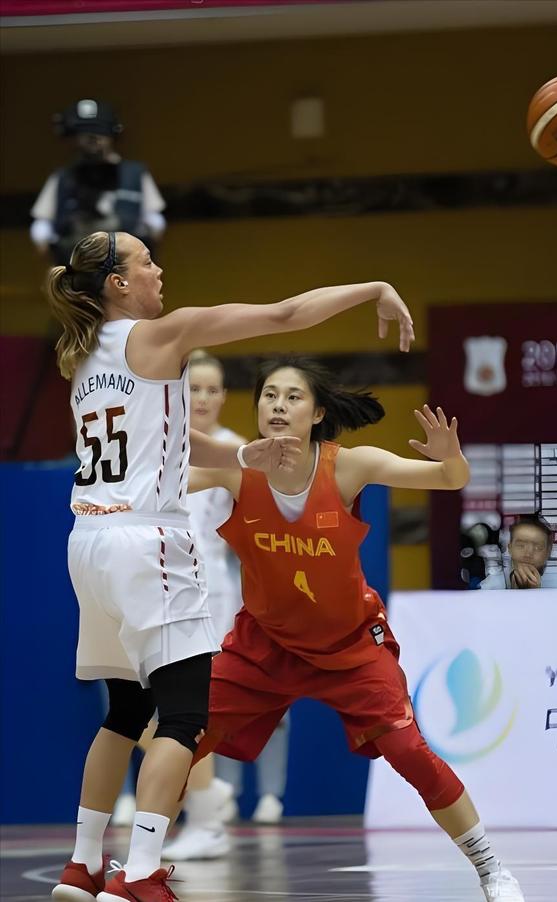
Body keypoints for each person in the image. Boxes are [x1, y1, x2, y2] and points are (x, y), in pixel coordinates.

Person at [44, 230, 414, 902]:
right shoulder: (164, 334)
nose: (159, 269)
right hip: (147, 542)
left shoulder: (82, 353)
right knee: (184, 718)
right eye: (146, 261)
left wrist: (242, 458)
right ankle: (141, 874)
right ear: (118, 283)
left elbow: (163, 436)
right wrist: (373, 288)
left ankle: (82, 865)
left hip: (88, 540)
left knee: (123, 712)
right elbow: (284, 315)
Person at [185, 356, 525, 902]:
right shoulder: (237, 469)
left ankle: (493, 870)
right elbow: (162, 481)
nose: (278, 405)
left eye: (293, 396)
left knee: (410, 752)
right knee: (177, 734)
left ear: (318, 413)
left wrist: (450, 457)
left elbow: (450, 479)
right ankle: (135, 867)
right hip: (265, 645)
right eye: (269, 395)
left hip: (350, 647)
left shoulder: (348, 466)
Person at [162, 353, 289, 862]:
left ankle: (212, 810)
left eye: (212, 389)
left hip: (211, 585)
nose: (203, 398)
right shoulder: (159, 440)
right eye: (193, 388)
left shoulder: (239, 451)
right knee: (152, 705)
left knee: (206, 701)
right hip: (155, 578)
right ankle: (203, 797)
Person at [31, 100, 166, 265]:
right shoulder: (63, 177)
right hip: (77, 265)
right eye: (84, 133)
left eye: (99, 131)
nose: (92, 138)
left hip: (125, 265)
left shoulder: (134, 174)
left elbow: (154, 221)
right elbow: (42, 224)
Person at [479, 513, 557, 589]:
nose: (528, 554)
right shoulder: (489, 586)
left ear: (548, 552)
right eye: (521, 546)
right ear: (510, 548)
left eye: (538, 547)